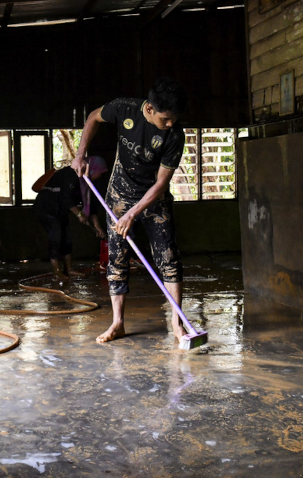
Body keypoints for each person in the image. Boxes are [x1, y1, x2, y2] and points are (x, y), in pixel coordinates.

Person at [71, 78, 188, 344]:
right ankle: (117, 323)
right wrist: (81, 153)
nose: (171, 124)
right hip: (120, 195)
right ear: (149, 109)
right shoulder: (124, 108)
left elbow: (161, 183)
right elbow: (92, 118)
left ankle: (177, 323)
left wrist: (133, 213)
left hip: (154, 200)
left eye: (174, 119)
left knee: (168, 258)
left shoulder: (175, 135)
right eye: (166, 119)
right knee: (118, 259)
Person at [33, 158, 107, 280]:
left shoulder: (87, 182)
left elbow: (91, 204)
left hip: (61, 211)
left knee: (67, 237)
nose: (100, 176)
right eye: (100, 172)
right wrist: (79, 214)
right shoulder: (71, 175)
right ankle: (56, 271)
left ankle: (69, 269)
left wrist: (97, 226)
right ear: (92, 169)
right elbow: (65, 198)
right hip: (47, 208)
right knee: (56, 237)